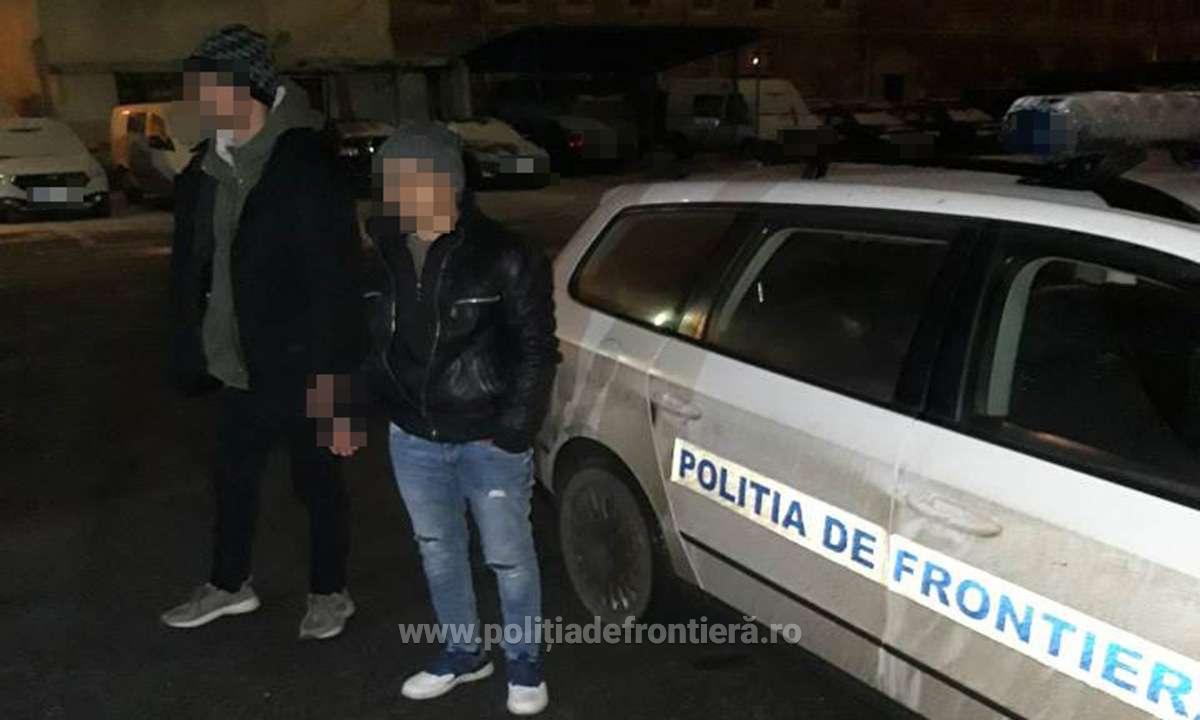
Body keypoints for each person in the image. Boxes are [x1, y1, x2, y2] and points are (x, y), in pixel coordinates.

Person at [160, 24, 364, 641]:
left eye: (207, 85)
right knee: (231, 480)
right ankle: (229, 584)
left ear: (244, 85)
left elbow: (336, 280)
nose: (197, 98)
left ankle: (329, 591)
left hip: (303, 363)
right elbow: (191, 268)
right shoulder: (204, 168)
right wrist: (188, 342)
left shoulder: (305, 165)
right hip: (234, 363)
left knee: (317, 483)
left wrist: (335, 385)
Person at [361, 124, 559, 715]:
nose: (399, 193)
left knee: (508, 557)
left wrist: (513, 432)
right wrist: (348, 410)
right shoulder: (382, 253)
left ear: (448, 182)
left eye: (411, 179)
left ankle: (524, 663)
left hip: (486, 436)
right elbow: (362, 339)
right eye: (391, 182)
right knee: (437, 549)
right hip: (412, 437)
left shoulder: (506, 254)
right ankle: (464, 652)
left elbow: (536, 349)